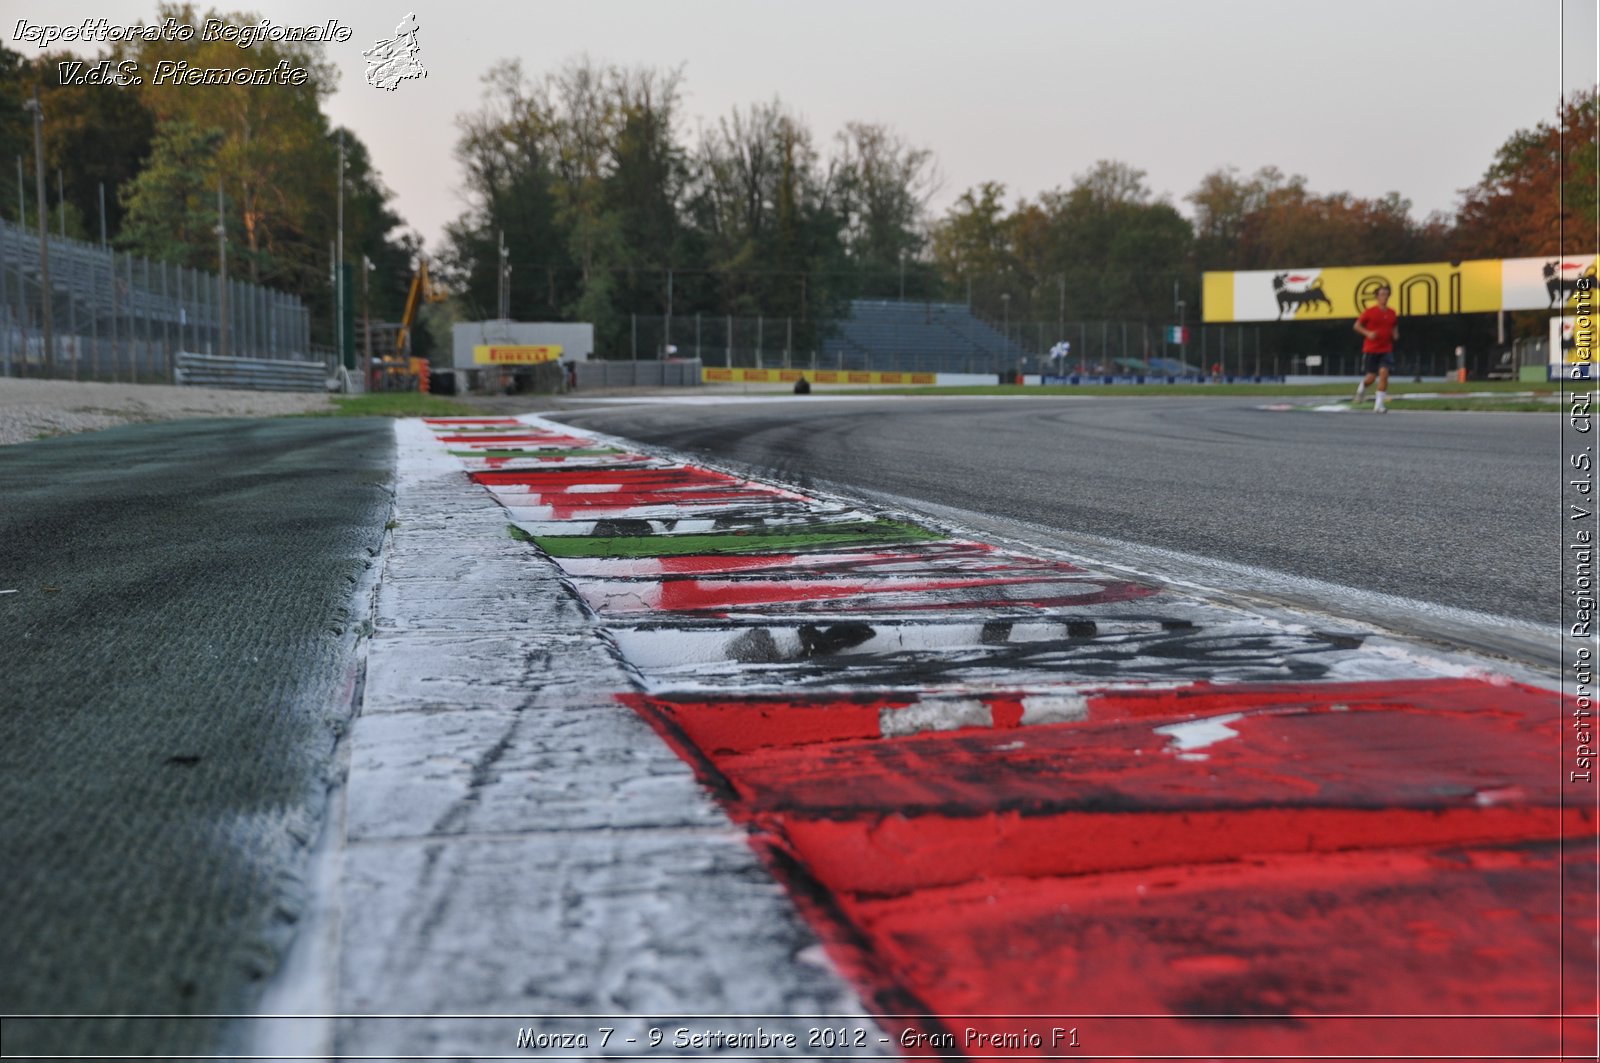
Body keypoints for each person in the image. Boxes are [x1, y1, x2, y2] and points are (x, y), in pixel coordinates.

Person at [1353, 284, 1398, 413]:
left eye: (1386, 294)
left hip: (1386, 349)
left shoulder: (1392, 312)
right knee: (1371, 378)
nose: (1384, 297)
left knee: (1384, 375)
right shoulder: (1370, 312)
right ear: (1377, 297)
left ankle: (1379, 405)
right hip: (1371, 349)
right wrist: (1368, 333)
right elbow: (1357, 326)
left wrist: (1395, 333)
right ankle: (1362, 386)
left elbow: (1394, 325)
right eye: (1382, 294)